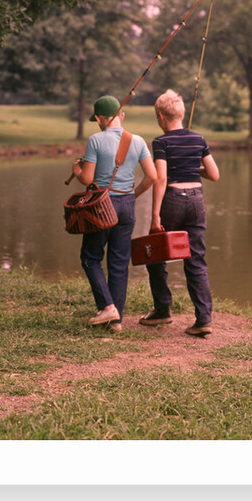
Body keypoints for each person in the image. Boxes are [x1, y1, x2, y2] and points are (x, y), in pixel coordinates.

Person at [71, 95, 157, 333]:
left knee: (90, 257)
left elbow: (87, 179)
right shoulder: (138, 141)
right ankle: (116, 321)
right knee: (119, 263)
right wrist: (133, 195)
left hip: (101, 206)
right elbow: (152, 177)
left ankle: (107, 306)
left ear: (98, 118)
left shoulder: (96, 140)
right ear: (121, 116)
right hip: (127, 204)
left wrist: (77, 170)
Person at [139, 89, 220, 336]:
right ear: (181, 114)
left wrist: (155, 217)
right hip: (196, 199)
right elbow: (214, 175)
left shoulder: (161, 142)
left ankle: (163, 310)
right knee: (196, 260)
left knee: (155, 253)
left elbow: (161, 177)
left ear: (161, 117)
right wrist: (194, 170)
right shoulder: (199, 139)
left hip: (173, 199)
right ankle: (203, 319)